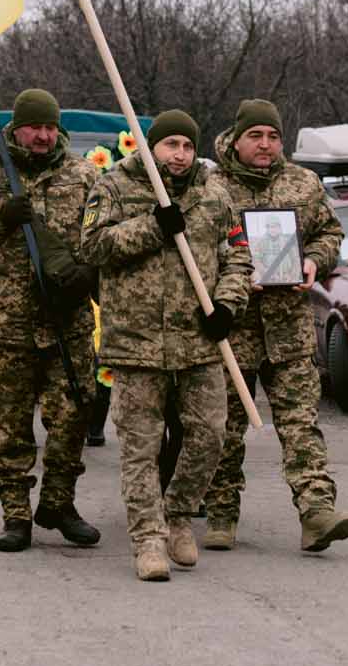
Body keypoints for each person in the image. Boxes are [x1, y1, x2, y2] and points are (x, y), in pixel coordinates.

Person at [82, 109, 252, 581]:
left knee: (210, 436)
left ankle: (177, 514)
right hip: (136, 345)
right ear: (150, 146)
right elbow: (92, 247)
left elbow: (239, 257)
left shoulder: (214, 194)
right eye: (170, 144)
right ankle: (148, 540)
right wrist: (153, 226)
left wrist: (227, 306)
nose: (179, 155)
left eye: (187, 146)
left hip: (199, 343)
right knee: (141, 448)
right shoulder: (114, 186)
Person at [0, 88, 101, 554]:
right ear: (17, 128)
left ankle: (58, 503)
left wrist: (86, 274)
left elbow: (101, 237)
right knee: (10, 427)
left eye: (50, 128)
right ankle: (16, 514)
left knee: (73, 416)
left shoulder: (83, 174)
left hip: (66, 322)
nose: (44, 136)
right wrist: (0, 218)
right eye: (35, 128)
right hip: (4, 325)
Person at [205, 98, 348, 555]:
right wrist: (230, 278)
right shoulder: (211, 187)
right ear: (236, 140)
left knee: (301, 425)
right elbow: (195, 249)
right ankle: (221, 513)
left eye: (273, 136)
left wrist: (314, 260)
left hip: (290, 329)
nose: (265, 144)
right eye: (256, 135)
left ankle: (316, 512)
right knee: (224, 428)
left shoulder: (303, 183)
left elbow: (330, 233)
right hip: (233, 331)